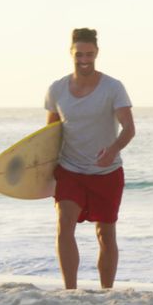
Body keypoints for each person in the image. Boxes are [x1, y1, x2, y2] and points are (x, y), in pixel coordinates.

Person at [45, 28, 136, 289]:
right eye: (79, 54)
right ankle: (70, 290)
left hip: (106, 172)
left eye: (89, 54)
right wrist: (43, 170)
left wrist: (113, 149)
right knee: (64, 225)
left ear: (97, 53)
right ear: (71, 53)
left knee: (105, 233)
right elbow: (50, 134)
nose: (84, 59)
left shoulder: (113, 87)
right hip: (70, 169)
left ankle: (106, 290)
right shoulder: (57, 89)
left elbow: (129, 128)